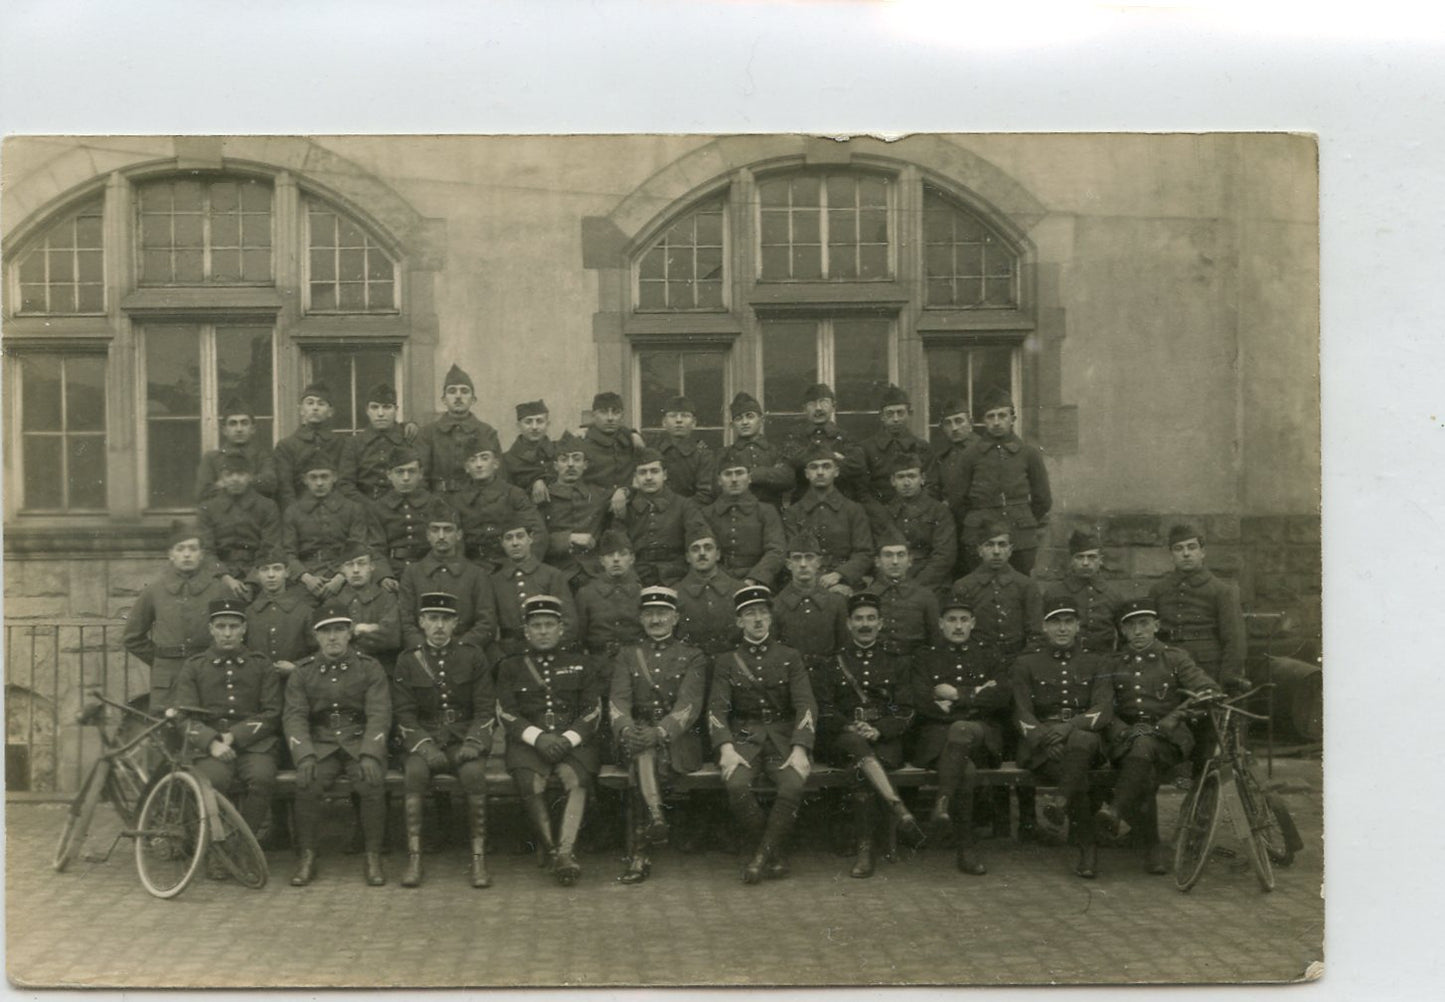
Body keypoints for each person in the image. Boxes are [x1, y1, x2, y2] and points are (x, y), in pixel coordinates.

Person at [1096, 598, 1222, 874]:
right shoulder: (1112, 662)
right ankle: (1150, 847)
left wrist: (1176, 716)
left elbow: (1209, 691)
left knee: (1144, 749)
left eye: (1144, 624)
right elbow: (1103, 707)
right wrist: (1122, 731)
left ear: (1156, 625)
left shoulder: (1175, 658)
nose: (1138, 631)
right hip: (1127, 740)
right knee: (1145, 768)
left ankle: (1117, 811)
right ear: (1122, 631)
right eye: (1130, 626)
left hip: (1169, 740)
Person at [708, 585, 817, 884]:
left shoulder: (790, 656)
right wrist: (726, 748)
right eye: (749, 614)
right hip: (744, 738)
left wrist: (800, 748)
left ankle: (760, 858)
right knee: (736, 786)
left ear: (770, 618)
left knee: (793, 786)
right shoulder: (727, 661)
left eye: (762, 613)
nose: (757, 619)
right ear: (738, 621)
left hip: (783, 739)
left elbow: (805, 704)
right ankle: (773, 855)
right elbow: (717, 709)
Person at [495, 595, 605, 886]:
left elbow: (592, 711)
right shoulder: (510, 666)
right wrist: (538, 738)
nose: (543, 631)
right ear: (526, 631)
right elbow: (506, 711)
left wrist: (568, 739)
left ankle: (566, 851)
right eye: (536, 625)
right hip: (529, 743)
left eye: (549, 625)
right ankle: (553, 850)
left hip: (573, 743)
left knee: (577, 780)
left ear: (561, 628)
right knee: (530, 782)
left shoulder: (581, 664)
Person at [815, 592, 926, 878]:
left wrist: (878, 729)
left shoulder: (896, 662)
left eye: (871, 619)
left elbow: (905, 709)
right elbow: (824, 709)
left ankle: (866, 850)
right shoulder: (833, 663)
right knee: (855, 746)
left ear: (881, 623)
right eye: (859, 619)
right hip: (843, 740)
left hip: (884, 741)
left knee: (862, 769)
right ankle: (897, 810)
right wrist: (851, 726)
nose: (865, 625)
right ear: (849, 624)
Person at [391, 592, 496, 889]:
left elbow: (486, 707)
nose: (439, 626)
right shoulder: (408, 661)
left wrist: (475, 742)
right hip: (425, 739)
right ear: (422, 622)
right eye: (433, 619)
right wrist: (423, 746)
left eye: (446, 620)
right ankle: (414, 858)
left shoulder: (472, 656)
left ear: (455, 623)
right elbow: (404, 713)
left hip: (462, 738)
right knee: (414, 774)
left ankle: (478, 859)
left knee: (474, 775)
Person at [283, 603, 392, 887]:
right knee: (308, 784)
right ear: (316, 636)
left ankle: (373, 857)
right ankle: (307, 856)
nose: (333, 637)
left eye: (339, 630)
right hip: (322, 744)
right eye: (326, 631)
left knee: (372, 782)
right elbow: (294, 717)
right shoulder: (303, 671)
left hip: (358, 740)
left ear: (349, 633)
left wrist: (371, 752)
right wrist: (304, 754)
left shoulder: (369, 667)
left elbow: (379, 713)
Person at [608, 586, 709, 884]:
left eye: (662, 613)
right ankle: (655, 820)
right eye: (649, 614)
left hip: (678, 741)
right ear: (640, 619)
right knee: (641, 750)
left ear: (675, 617)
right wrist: (625, 728)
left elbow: (689, 706)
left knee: (643, 753)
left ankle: (640, 853)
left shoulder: (693, 656)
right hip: (636, 735)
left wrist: (661, 731)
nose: (656, 620)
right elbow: (618, 701)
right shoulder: (628, 655)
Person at [1010, 597, 1114, 878]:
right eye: (1055, 622)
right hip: (1042, 747)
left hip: (1083, 740)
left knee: (1082, 741)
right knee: (1077, 770)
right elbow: (1021, 712)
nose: (1062, 628)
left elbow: (1103, 709)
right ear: (1044, 627)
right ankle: (1087, 848)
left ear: (1078, 625)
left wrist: (1069, 729)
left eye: (1068, 621)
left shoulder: (1096, 661)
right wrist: (1046, 740)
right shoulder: (1026, 663)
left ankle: (1061, 804)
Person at [909, 596, 1011, 876]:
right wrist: (977, 694)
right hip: (939, 740)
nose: (958, 626)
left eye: (964, 620)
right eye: (951, 620)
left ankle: (943, 803)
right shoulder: (925, 656)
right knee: (964, 769)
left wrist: (955, 695)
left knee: (962, 729)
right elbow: (920, 701)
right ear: (941, 624)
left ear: (973, 623)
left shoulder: (989, 655)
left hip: (981, 737)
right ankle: (967, 848)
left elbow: (1001, 697)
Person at [171, 598, 282, 844]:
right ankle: (216, 846)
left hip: (254, 745)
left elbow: (273, 712)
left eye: (234, 626)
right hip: (210, 747)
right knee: (211, 781)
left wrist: (235, 736)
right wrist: (211, 743)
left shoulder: (261, 665)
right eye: (221, 626)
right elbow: (183, 715)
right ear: (211, 629)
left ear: (244, 628)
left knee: (262, 779)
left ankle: (244, 844)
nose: (228, 633)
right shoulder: (195, 666)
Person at [122, 521, 233, 713]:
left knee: (209, 728)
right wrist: (161, 660)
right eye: (180, 549)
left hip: (209, 673)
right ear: (171, 555)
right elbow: (132, 637)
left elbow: (236, 633)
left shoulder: (219, 589)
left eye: (193, 548)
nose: (187, 554)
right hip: (168, 680)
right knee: (167, 733)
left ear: (202, 555)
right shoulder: (154, 590)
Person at [953, 389, 1052, 575]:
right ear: (983, 421)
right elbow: (957, 501)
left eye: (1002, 415)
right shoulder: (970, 455)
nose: (996, 422)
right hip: (980, 535)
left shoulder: (1029, 454)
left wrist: (1024, 519)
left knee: (1019, 585)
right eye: (991, 417)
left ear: (1012, 419)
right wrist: (977, 521)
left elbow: (1043, 499)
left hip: (1020, 537)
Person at [1148, 523, 1247, 689]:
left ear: (1202, 552)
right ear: (1171, 554)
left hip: (1207, 666)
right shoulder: (1159, 590)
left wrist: (1229, 677)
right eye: (1178, 549)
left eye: (1192, 547)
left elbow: (1234, 639)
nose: (1186, 554)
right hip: (1167, 664)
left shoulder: (1221, 590)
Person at [282, 449, 386, 602]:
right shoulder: (293, 512)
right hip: (306, 579)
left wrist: (340, 578)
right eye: (313, 477)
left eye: (324, 476)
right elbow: (288, 553)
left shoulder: (352, 509)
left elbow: (359, 547)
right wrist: (306, 578)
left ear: (335, 477)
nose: (319, 483)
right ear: (305, 480)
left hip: (345, 577)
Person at [397, 511, 498, 652]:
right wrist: (424, 648)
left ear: (459, 535)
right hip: (422, 654)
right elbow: (405, 621)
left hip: (465, 654)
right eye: (435, 530)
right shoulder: (412, 573)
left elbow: (486, 623)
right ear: (427, 535)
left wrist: (459, 649)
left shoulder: (476, 574)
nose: (441, 536)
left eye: (448, 530)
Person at [781, 445, 874, 596]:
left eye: (826, 466)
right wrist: (819, 582)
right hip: (804, 581)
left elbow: (864, 553)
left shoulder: (853, 510)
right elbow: (792, 556)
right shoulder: (793, 513)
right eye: (814, 467)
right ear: (806, 474)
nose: (820, 472)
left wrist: (840, 575)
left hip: (846, 582)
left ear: (836, 472)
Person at [949, 520, 1042, 667]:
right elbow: (958, 631)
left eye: (1002, 545)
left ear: (1010, 550)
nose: (996, 551)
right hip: (977, 661)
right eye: (989, 545)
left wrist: (1024, 661)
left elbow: (1036, 632)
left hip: (1017, 661)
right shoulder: (964, 586)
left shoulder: (1026, 585)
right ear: (979, 550)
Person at [450, 433, 547, 572]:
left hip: (510, 567)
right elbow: (454, 541)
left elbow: (538, 534)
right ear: (466, 467)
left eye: (484, 458)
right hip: (472, 570)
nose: (479, 465)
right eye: (472, 460)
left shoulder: (514, 494)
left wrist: (525, 568)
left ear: (495, 463)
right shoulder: (458, 500)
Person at [619, 447, 710, 587]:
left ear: (665, 474)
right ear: (635, 477)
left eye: (654, 471)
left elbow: (699, 538)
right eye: (642, 472)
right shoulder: (626, 507)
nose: (649, 477)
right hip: (635, 577)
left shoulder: (684, 505)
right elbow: (618, 545)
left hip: (677, 577)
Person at [865, 455, 957, 591]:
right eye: (900, 477)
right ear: (892, 481)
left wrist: (915, 585)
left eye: (912, 476)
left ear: (922, 479)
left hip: (931, 582)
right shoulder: (885, 512)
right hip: (891, 581)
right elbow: (877, 554)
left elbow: (944, 556)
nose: (906, 483)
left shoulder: (939, 511)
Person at [196, 452, 281, 597]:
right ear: (222, 478)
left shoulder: (267, 506)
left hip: (259, 573)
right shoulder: (208, 509)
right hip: (219, 574)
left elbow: (269, 547)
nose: (235, 479)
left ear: (250, 476)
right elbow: (207, 551)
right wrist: (226, 578)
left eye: (241, 474)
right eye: (229, 474)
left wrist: (252, 581)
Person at [491, 521, 578, 656]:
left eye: (520, 536)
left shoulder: (552, 575)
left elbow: (568, 622)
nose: (515, 543)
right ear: (501, 542)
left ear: (530, 538)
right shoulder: (494, 581)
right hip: (509, 654)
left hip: (549, 652)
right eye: (509, 538)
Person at [538, 430, 611, 587]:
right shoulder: (543, 497)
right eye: (564, 459)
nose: (570, 464)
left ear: (585, 465)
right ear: (556, 466)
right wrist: (569, 538)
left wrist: (624, 491)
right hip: (556, 574)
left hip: (593, 575)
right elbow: (535, 540)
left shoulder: (599, 495)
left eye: (576, 459)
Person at [417, 363, 502, 496]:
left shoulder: (486, 432)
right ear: (444, 400)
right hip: (438, 502)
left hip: (477, 502)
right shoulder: (427, 433)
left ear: (473, 400)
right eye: (452, 391)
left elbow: (497, 476)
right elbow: (420, 477)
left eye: (464, 391)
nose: (458, 396)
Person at [368, 445, 449, 583]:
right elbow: (376, 549)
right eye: (400, 472)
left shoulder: (435, 504)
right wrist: (384, 576)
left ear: (421, 473)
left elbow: (447, 543)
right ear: (389, 474)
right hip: (394, 572)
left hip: (431, 571)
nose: (406, 478)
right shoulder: (378, 508)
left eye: (411, 471)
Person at [700, 460, 786, 588]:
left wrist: (754, 579)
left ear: (749, 478)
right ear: (719, 480)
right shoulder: (707, 514)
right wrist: (721, 579)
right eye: (728, 474)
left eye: (739, 473)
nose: (734, 479)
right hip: (717, 581)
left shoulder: (766, 511)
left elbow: (776, 551)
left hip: (758, 581)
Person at [771, 530, 849, 669]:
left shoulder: (836, 603)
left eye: (809, 557)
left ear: (819, 562)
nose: (803, 564)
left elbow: (843, 649)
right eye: (797, 558)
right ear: (788, 564)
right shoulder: (776, 605)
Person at [782, 382, 867, 501]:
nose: (818, 408)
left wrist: (809, 459)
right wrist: (835, 458)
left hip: (840, 503)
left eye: (824, 402)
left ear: (834, 406)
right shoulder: (796, 437)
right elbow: (789, 466)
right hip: (803, 504)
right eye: (812, 404)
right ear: (804, 409)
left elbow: (858, 467)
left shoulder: (845, 437)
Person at [1043, 529, 1122, 654]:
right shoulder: (1054, 593)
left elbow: (1124, 636)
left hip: (1103, 662)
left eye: (1092, 557)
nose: (1085, 563)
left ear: (1101, 560)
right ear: (1071, 560)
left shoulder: (1113, 594)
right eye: (1080, 557)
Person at [860, 385, 942, 503]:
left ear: (909, 413)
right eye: (890, 414)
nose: (896, 419)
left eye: (900, 413)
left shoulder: (923, 448)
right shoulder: (866, 449)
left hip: (916, 514)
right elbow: (863, 491)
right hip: (879, 515)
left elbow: (931, 486)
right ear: (882, 416)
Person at [245, 544, 317, 676]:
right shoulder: (249, 613)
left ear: (287, 572)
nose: (271, 575)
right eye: (265, 569)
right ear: (256, 574)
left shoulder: (304, 612)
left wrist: (296, 667)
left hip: (294, 685)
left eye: (277, 569)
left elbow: (320, 652)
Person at [273, 382, 344, 512]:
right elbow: (286, 489)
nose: (315, 408)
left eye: (321, 403)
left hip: (335, 513)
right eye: (310, 403)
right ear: (301, 410)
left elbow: (344, 484)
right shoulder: (286, 446)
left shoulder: (341, 444)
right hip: (299, 513)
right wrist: (295, 517)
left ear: (330, 412)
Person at [716, 391, 793, 509]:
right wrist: (770, 473)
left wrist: (753, 474)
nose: (745, 422)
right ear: (732, 425)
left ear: (761, 420)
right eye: (738, 418)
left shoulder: (775, 450)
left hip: (773, 518)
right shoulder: (724, 454)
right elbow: (717, 489)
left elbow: (787, 479)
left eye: (750, 416)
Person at [674, 530, 744, 658]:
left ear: (717, 555)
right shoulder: (675, 593)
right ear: (688, 557)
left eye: (708, 548)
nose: (702, 553)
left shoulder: (739, 590)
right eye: (695, 549)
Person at [574, 530, 644, 658]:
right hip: (599, 661)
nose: (616, 559)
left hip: (635, 661)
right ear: (601, 561)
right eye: (610, 555)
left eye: (622, 554)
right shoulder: (586, 594)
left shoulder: (642, 593)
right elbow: (579, 638)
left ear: (632, 559)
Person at [333, 542, 402, 671]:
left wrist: (348, 633)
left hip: (380, 669)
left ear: (372, 566)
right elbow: (329, 640)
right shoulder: (334, 601)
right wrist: (360, 628)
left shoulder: (387, 598)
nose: (356, 570)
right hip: (342, 671)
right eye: (349, 564)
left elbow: (391, 638)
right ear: (342, 569)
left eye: (361, 563)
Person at [872, 533, 943, 656]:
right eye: (888, 555)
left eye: (900, 555)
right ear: (877, 561)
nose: (895, 562)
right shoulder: (868, 595)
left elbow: (935, 639)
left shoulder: (925, 596)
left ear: (910, 561)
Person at [338, 383, 411, 503]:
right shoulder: (353, 444)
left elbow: (418, 481)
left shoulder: (408, 439)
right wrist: (369, 507)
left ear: (396, 410)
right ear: (367, 410)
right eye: (375, 407)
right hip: (364, 510)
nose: (380, 413)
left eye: (387, 407)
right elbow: (345, 484)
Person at [931, 395, 979, 576]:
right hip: (952, 527)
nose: (955, 428)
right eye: (948, 423)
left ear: (971, 422)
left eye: (959, 421)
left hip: (980, 528)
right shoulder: (942, 457)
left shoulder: (984, 450)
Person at [194, 397, 277, 502]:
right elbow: (202, 493)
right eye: (233, 423)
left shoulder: (263, 456)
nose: (239, 429)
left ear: (253, 429)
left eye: (244, 423)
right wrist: (249, 480)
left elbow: (270, 484)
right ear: (224, 430)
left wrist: (225, 483)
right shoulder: (211, 458)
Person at [581, 390, 646, 518]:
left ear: (622, 416)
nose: (610, 418)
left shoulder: (630, 439)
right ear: (593, 416)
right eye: (604, 412)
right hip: (592, 511)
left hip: (627, 509)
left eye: (616, 412)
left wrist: (625, 491)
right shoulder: (582, 442)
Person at [653, 395, 718, 505]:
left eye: (685, 415)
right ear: (664, 422)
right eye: (673, 416)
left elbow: (705, 494)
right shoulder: (654, 451)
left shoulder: (703, 455)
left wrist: (678, 512)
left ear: (694, 423)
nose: (679, 420)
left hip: (691, 515)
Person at [503, 399, 557, 502]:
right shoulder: (507, 459)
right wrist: (535, 481)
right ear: (518, 426)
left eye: (539, 421)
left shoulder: (559, 451)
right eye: (528, 422)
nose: (534, 427)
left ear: (547, 424)